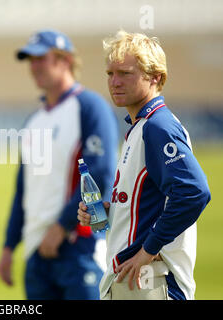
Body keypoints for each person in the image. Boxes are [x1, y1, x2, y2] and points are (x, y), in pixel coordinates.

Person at [77, 30, 211, 300]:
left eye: (125, 73)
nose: (114, 82)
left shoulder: (157, 127)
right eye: (110, 73)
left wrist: (147, 250)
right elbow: (148, 202)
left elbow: (194, 193)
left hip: (155, 283)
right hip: (137, 283)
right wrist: (111, 212)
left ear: (156, 77)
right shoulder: (140, 127)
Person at [0, 29, 119, 300]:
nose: (34, 66)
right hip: (36, 253)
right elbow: (23, 190)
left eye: (42, 58)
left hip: (78, 246)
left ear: (65, 60)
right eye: (31, 60)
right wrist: (9, 246)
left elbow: (100, 173)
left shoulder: (89, 107)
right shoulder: (34, 121)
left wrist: (62, 226)